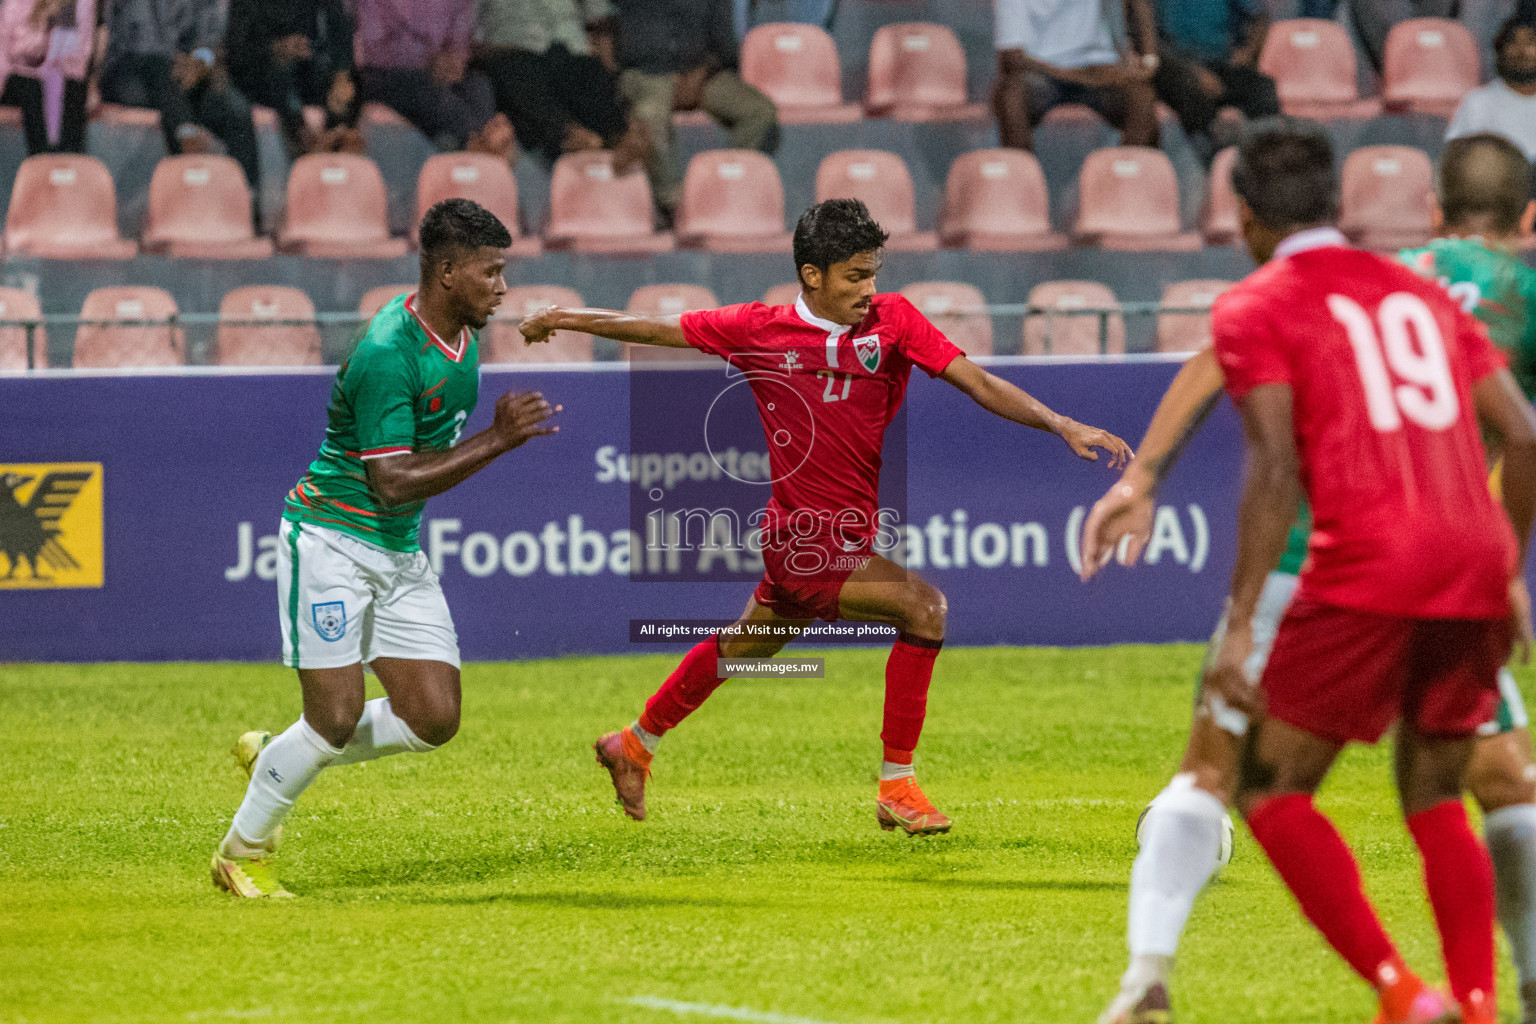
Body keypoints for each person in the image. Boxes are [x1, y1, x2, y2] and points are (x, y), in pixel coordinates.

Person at [1087, 126, 1536, 1024]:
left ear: (1245, 217)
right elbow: (1522, 433)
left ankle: (1378, 994)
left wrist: (1226, 594)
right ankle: (1489, 1000)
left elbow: (1272, 459)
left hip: (1340, 558)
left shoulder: (1264, 301)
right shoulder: (1418, 289)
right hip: (1472, 555)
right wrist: (1508, 559)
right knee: (1474, 784)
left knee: (1246, 778)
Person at [517, 198, 1133, 834]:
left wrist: (1059, 423)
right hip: (801, 542)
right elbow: (651, 327)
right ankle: (898, 786)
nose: (869, 290)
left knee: (744, 648)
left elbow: (975, 381)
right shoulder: (758, 328)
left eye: (873, 274)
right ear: (813, 274)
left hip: (845, 534)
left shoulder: (894, 321)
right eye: (854, 277)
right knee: (924, 608)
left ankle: (633, 743)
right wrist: (562, 316)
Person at [210, 200, 559, 899]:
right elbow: (392, 481)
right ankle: (241, 853)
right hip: (332, 541)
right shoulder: (385, 351)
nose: (502, 286)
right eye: (490, 272)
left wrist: (487, 441)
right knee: (334, 716)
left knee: (433, 718)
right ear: (449, 271)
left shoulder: (463, 341)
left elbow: (411, 481)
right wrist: (497, 439)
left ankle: (281, 756)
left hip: (397, 552)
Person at [610, 0, 779, 217]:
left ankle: (724, 193)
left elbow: (723, 41)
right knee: (651, 116)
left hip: (700, 72)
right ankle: (675, 206)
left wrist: (703, 72)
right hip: (647, 73)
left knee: (759, 111)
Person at [98, 0, 262, 202]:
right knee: (162, 71)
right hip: (129, 72)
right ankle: (188, 155)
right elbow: (141, 42)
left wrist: (200, 62)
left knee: (236, 109)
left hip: (183, 74)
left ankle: (247, 204)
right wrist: (183, 65)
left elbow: (209, 38)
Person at [472, 0, 647, 171]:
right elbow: (468, 32)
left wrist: (609, 73)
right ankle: (573, 138)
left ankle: (616, 141)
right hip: (514, 54)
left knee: (591, 71)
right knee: (516, 75)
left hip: (571, 51)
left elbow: (599, 17)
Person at [353, 0, 515, 159]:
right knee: (432, 94)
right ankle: (485, 145)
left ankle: (480, 143)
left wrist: (452, 62)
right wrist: (427, 60)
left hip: (435, 75)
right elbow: (374, 47)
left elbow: (459, 39)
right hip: (386, 74)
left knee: (480, 84)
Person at [992, 0, 1160, 152]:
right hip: (1042, 75)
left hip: (1098, 70)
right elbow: (1011, 58)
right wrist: (1067, 72)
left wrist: (1148, 56)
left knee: (1141, 99)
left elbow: (1138, 5)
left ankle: (1129, 178)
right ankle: (1020, 179)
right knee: (1011, 99)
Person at [225, 0, 363, 159]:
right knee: (280, 80)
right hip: (260, 70)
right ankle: (307, 153)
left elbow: (339, 25)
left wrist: (341, 77)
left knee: (350, 86)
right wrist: (277, 48)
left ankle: (336, 155)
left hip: (308, 67)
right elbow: (236, 49)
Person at [1151, 0, 1279, 164]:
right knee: (1185, 89)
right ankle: (1214, 159)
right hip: (1175, 67)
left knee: (1264, 88)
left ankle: (1262, 158)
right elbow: (1151, 41)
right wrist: (1194, 71)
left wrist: (1247, 53)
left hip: (1221, 63)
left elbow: (1260, 16)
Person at [0, 0, 95, 155]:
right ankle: (40, 160)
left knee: (67, 91)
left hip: (65, 82)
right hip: (25, 79)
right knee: (30, 87)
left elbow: (79, 54)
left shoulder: (79, 4)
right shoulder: (17, 4)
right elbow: (5, 48)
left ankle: (61, 161)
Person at [1448, 17, 1536, 162]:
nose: (1522, 51)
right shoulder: (1478, 102)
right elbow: (1458, 160)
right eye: (1513, 42)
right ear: (1500, 50)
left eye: (1530, 42)